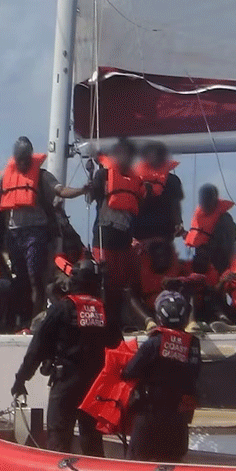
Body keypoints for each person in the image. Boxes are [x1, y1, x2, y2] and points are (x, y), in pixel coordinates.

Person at [0, 137, 86, 327]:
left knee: (34, 278)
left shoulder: (42, 176)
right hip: (14, 235)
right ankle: (20, 319)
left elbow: (61, 190)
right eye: (19, 159)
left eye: (26, 159)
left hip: (36, 233)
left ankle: (36, 320)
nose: (23, 163)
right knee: (20, 279)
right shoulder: (5, 177)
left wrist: (81, 190)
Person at [11, 260, 114, 457]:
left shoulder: (62, 308)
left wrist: (21, 378)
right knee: (92, 438)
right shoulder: (105, 311)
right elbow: (116, 347)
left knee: (58, 438)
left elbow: (37, 347)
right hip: (96, 385)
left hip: (66, 381)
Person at [121, 291, 202, 462]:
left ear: (159, 316)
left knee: (138, 464)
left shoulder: (154, 342)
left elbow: (130, 371)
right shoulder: (194, 344)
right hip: (178, 420)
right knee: (173, 464)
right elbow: (195, 373)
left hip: (150, 418)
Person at [88, 139, 146, 336]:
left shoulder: (136, 180)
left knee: (122, 284)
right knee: (105, 281)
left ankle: (119, 321)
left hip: (124, 237)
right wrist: (93, 179)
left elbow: (140, 207)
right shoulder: (103, 174)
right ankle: (103, 323)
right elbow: (92, 196)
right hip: (105, 235)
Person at [130, 239, 189, 328]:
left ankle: (191, 323)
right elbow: (133, 292)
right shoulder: (141, 269)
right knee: (129, 295)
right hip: (150, 310)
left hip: (176, 309)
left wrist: (178, 281)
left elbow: (195, 280)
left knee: (191, 291)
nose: (160, 259)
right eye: (157, 256)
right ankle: (150, 323)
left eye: (163, 256)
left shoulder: (178, 266)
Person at [132, 141, 184, 242]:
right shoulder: (173, 180)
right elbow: (175, 205)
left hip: (140, 232)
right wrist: (178, 223)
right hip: (164, 232)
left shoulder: (134, 178)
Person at [185, 184, 236, 275]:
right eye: (203, 201)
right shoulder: (199, 216)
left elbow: (226, 247)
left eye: (208, 201)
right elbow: (198, 237)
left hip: (218, 266)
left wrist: (207, 250)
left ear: (215, 200)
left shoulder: (224, 219)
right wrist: (184, 234)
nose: (205, 204)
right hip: (200, 265)